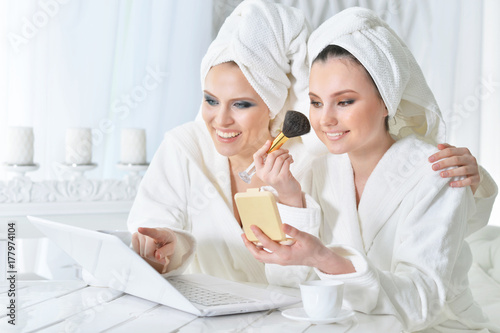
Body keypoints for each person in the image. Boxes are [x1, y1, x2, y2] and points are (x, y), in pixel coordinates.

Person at [243, 7, 498, 332]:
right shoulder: (315, 169)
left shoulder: (437, 172)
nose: (325, 119)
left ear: (387, 102)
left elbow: (422, 303)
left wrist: (324, 258)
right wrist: (291, 199)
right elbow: (287, 286)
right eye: (317, 102)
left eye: (345, 101)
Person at [127, 0, 320, 284]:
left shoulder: (306, 163)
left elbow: (307, 276)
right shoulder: (184, 147)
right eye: (211, 100)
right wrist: (168, 244)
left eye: (241, 105)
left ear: (273, 106)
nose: (221, 119)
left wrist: (289, 198)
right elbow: (150, 228)